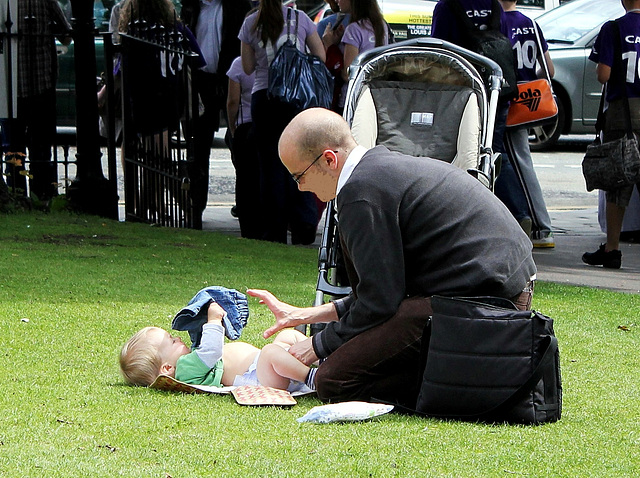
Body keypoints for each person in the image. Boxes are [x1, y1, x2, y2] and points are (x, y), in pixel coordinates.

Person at [248, 107, 537, 407]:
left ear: (329, 160)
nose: (300, 187)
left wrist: (318, 345)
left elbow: (380, 303)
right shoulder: (374, 171)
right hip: (493, 289)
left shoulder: (360, 193)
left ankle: (454, 385)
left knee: (332, 380)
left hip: (488, 303)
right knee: (348, 352)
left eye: (299, 176)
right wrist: (308, 316)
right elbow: (382, 292)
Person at [431, 0, 533, 237]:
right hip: (497, 92)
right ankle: (519, 214)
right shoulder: (495, 5)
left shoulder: (447, 7)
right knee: (495, 154)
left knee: (459, 152)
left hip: (462, 92)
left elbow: (437, 51)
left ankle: (469, 215)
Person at [238, 0, 326, 244]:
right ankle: (304, 224)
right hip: (295, 97)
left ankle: (274, 229)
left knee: (270, 166)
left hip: (264, 97)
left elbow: (247, 67)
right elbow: (320, 55)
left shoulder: (250, 24)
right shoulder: (301, 20)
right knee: (302, 160)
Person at [120, 302, 317, 393]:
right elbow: (211, 351)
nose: (179, 338)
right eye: (172, 341)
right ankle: (312, 377)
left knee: (286, 336)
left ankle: (321, 356)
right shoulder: (186, 369)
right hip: (260, 377)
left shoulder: (190, 365)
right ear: (167, 368)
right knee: (270, 352)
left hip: (266, 370)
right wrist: (213, 320)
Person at [181, 0, 253, 228]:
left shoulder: (236, 7)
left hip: (230, 78)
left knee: (240, 144)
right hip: (200, 81)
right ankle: (195, 208)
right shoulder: (192, 7)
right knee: (198, 148)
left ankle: (246, 205)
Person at [583, 0, 640, 269]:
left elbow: (603, 75)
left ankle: (612, 248)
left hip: (623, 113)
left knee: (618, 181)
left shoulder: (613, 29)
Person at [499, 0, 556, 248]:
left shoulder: (497, 22)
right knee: (520, 159)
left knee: (518, 161)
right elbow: (548, 69)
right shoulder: (531, 23)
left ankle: (541, 226)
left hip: (510, 100)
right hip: (529, 98)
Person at [10, 0, 72, 201]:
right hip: (42, 82)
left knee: (14, 148)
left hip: (12, 84)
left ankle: (16, 194)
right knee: (41, 147)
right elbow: (66, 37)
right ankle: (42, 194)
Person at [226, 55, 261, 238]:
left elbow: (233, 101)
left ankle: (247, 227)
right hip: (266, 125)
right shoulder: (271, 61)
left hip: (245, 125)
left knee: (244, 179)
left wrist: (232, 127)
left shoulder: (239, 63)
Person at [317, 0, 352, 113]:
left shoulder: (327, 24)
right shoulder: (381, 25)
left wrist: (330, 45)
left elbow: (346, 74)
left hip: (341, 96)